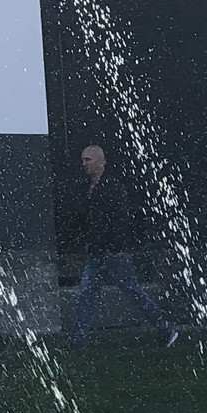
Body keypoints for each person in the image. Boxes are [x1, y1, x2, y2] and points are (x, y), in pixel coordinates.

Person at [66, 142, 178, 345]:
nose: (84, 164)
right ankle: (79, 339)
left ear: (100, 162)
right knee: (88, 294)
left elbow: (118, 220)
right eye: (83, 160)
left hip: (112, 252)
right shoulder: (88, 188)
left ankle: (164, 329)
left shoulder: (112, 188)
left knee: (131, 292)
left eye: (88, 160)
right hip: (97, 252)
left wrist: (109, 243)